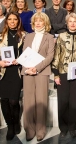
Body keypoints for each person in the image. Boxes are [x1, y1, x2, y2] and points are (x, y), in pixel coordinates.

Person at [52, 13, 76, 138]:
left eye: (75, 22)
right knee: (63, 101)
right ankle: (63, 127)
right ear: (67, 24)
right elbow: (56, 55)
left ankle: (72, 127)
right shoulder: (61, 37)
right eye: (70, 21)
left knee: (74, 101)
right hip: (62, 72)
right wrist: (56, 74)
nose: (72, 24)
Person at [21, 12, 55, 142]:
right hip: (27, 70)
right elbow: (24, 53)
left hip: (42, 71)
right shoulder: (28, 36)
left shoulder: (50, 37)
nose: (38, 23)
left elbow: (50, 56)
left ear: (45, 23)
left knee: (41, 101)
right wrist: (28, 68)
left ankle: (40, 130)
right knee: (28, 101)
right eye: (36, 21)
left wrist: (37, 68)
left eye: (41, 21)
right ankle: (29, 129)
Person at [0, 12, 25, 140]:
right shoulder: (0, 36)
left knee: (13, 100)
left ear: (18, 21)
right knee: (4, 100)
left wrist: (20, 60)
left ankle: (16, 121)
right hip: (2, 71)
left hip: (16, 71)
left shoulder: (24, 35)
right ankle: (10, 126)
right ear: (6, 22)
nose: (12, 21)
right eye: (10, 19)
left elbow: (28, 52)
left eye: (15, 19)